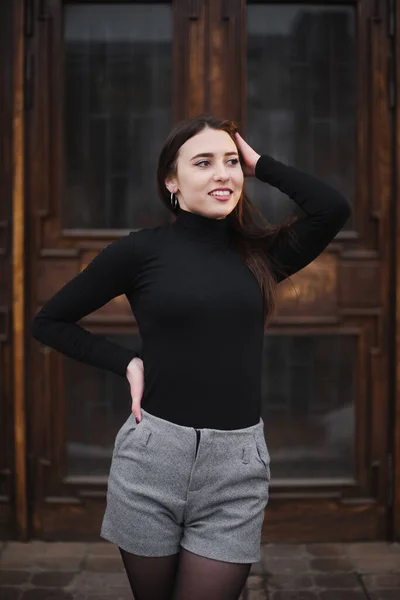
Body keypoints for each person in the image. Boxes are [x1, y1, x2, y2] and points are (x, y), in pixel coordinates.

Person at [31, 114, 351, 600]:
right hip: (152, 460)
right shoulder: (139, 254)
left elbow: (332, 209)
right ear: (171, 181)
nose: (223, 174)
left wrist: (260, 164)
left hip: (235, 469)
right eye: (203, 163)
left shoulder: (262, 255)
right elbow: (48, 322)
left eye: (230, 162)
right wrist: (127, 362)